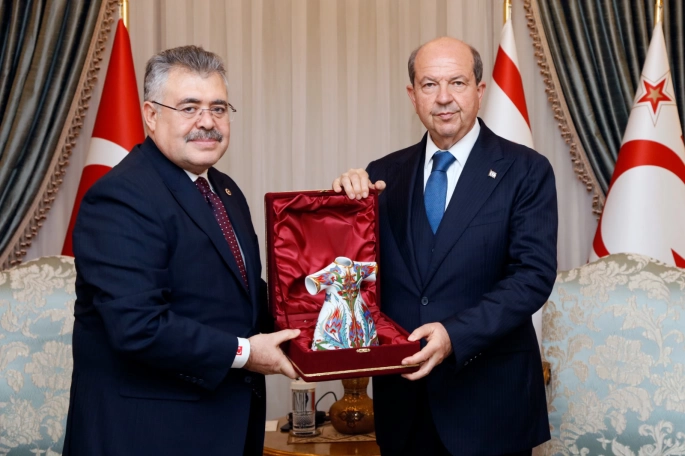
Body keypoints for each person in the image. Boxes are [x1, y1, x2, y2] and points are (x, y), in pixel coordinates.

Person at [63, 45, 300, 456]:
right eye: (189, 108)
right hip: (147, 435)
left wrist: (328, 304)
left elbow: (244, 299)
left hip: (224, 426)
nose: (207, 122)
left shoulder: (224, 191)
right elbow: (139, 326)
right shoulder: (121, 198)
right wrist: (246, 353)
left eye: (218, 108)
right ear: (151, 115)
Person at [333, 37, 557, 456]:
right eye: (429, 84)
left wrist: (455, 334)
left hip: (490, 405)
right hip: (404, 407)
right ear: (412, 95)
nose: (443, 98)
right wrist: (340, 209)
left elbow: (532, 278)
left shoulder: (526, 171)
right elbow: (357, 275)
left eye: (457, 82)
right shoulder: (382, 175)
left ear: (479, 90)